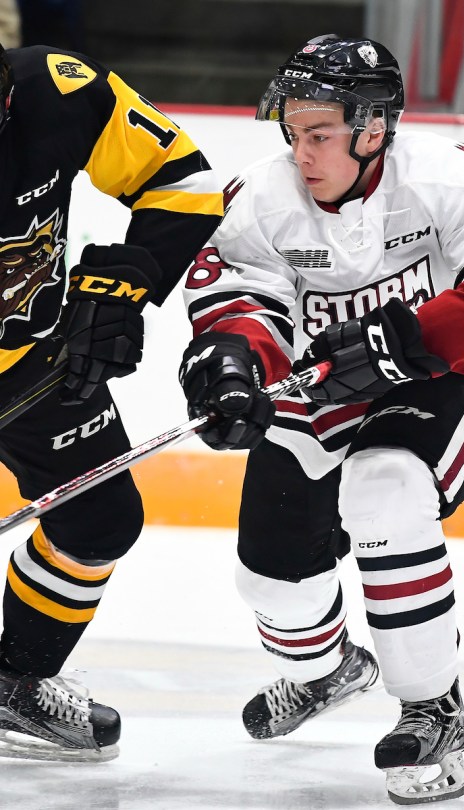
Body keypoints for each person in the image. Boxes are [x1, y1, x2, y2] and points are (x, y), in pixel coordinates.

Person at [179, 33, 464, 804]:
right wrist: (237, 368)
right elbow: (241, 303)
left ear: (374, 127)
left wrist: (405, 338)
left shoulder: (450, 178)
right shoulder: (263, 200)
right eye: (292, 130)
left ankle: (432, 707)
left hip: (446, 380)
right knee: (270, 578)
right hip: (329, 393)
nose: (300, 148)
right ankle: (328, 671)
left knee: (384, 486)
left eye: (319, 132)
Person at [0, 43, 221, 760]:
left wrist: (126, 282)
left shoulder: (57, 90)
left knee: (99, 519)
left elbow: (184, 179)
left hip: (32, 367)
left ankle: (16, 683)